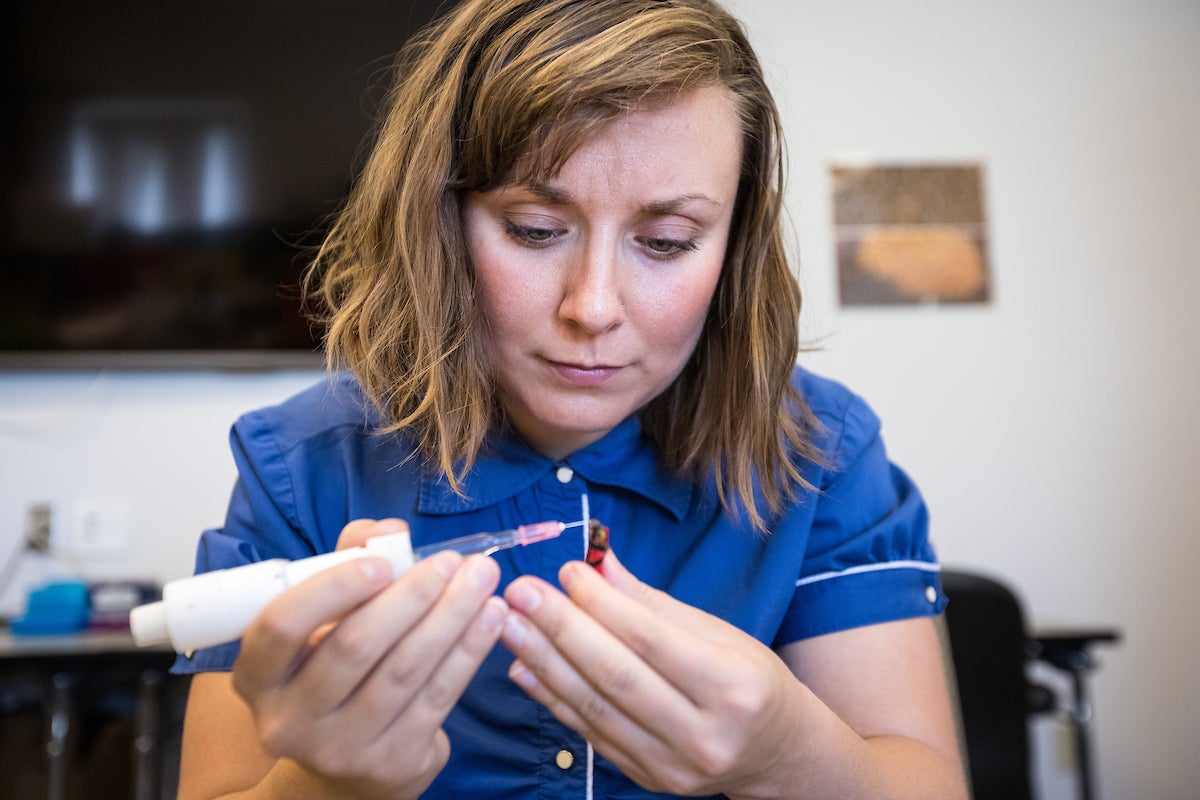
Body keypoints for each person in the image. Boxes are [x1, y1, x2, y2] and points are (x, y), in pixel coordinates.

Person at [173, 1, 969, 798]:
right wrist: (326, 786)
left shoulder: (820, 452)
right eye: (532, 228)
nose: (592, 307)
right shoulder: (303, 469)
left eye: (665, 243)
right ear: (439, 222)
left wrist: (788, 751)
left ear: (734, 246)